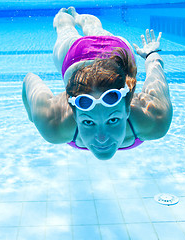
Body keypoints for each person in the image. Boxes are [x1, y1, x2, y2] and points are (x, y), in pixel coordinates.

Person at [22, 7, 172, 160]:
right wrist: (151, 55)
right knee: (68, 29)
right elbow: (155, 72)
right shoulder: (155, 120)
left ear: (128, 109)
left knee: (81, 30)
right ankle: (67, 17)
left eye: (113, 120)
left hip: (82, 56)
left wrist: (35, 116)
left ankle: (77, 17)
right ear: (73, 114)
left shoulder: (52, 125)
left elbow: (29, 78)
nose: (102, 138)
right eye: (87, 122)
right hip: (110, 51)